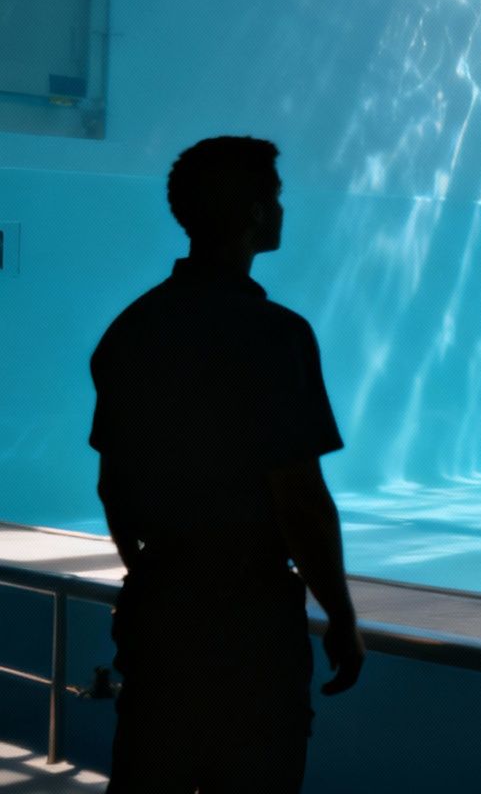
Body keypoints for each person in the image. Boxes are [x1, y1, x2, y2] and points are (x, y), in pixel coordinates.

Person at [89, 136, 364, 793]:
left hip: (159, 612)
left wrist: (152, 575)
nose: (280, 208)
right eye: (272, 195)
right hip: (249, 625)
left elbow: (112, 488)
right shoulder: (277, 336)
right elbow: (299, 498)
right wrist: (342, 620)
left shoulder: (132, 329)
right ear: (250, 212)